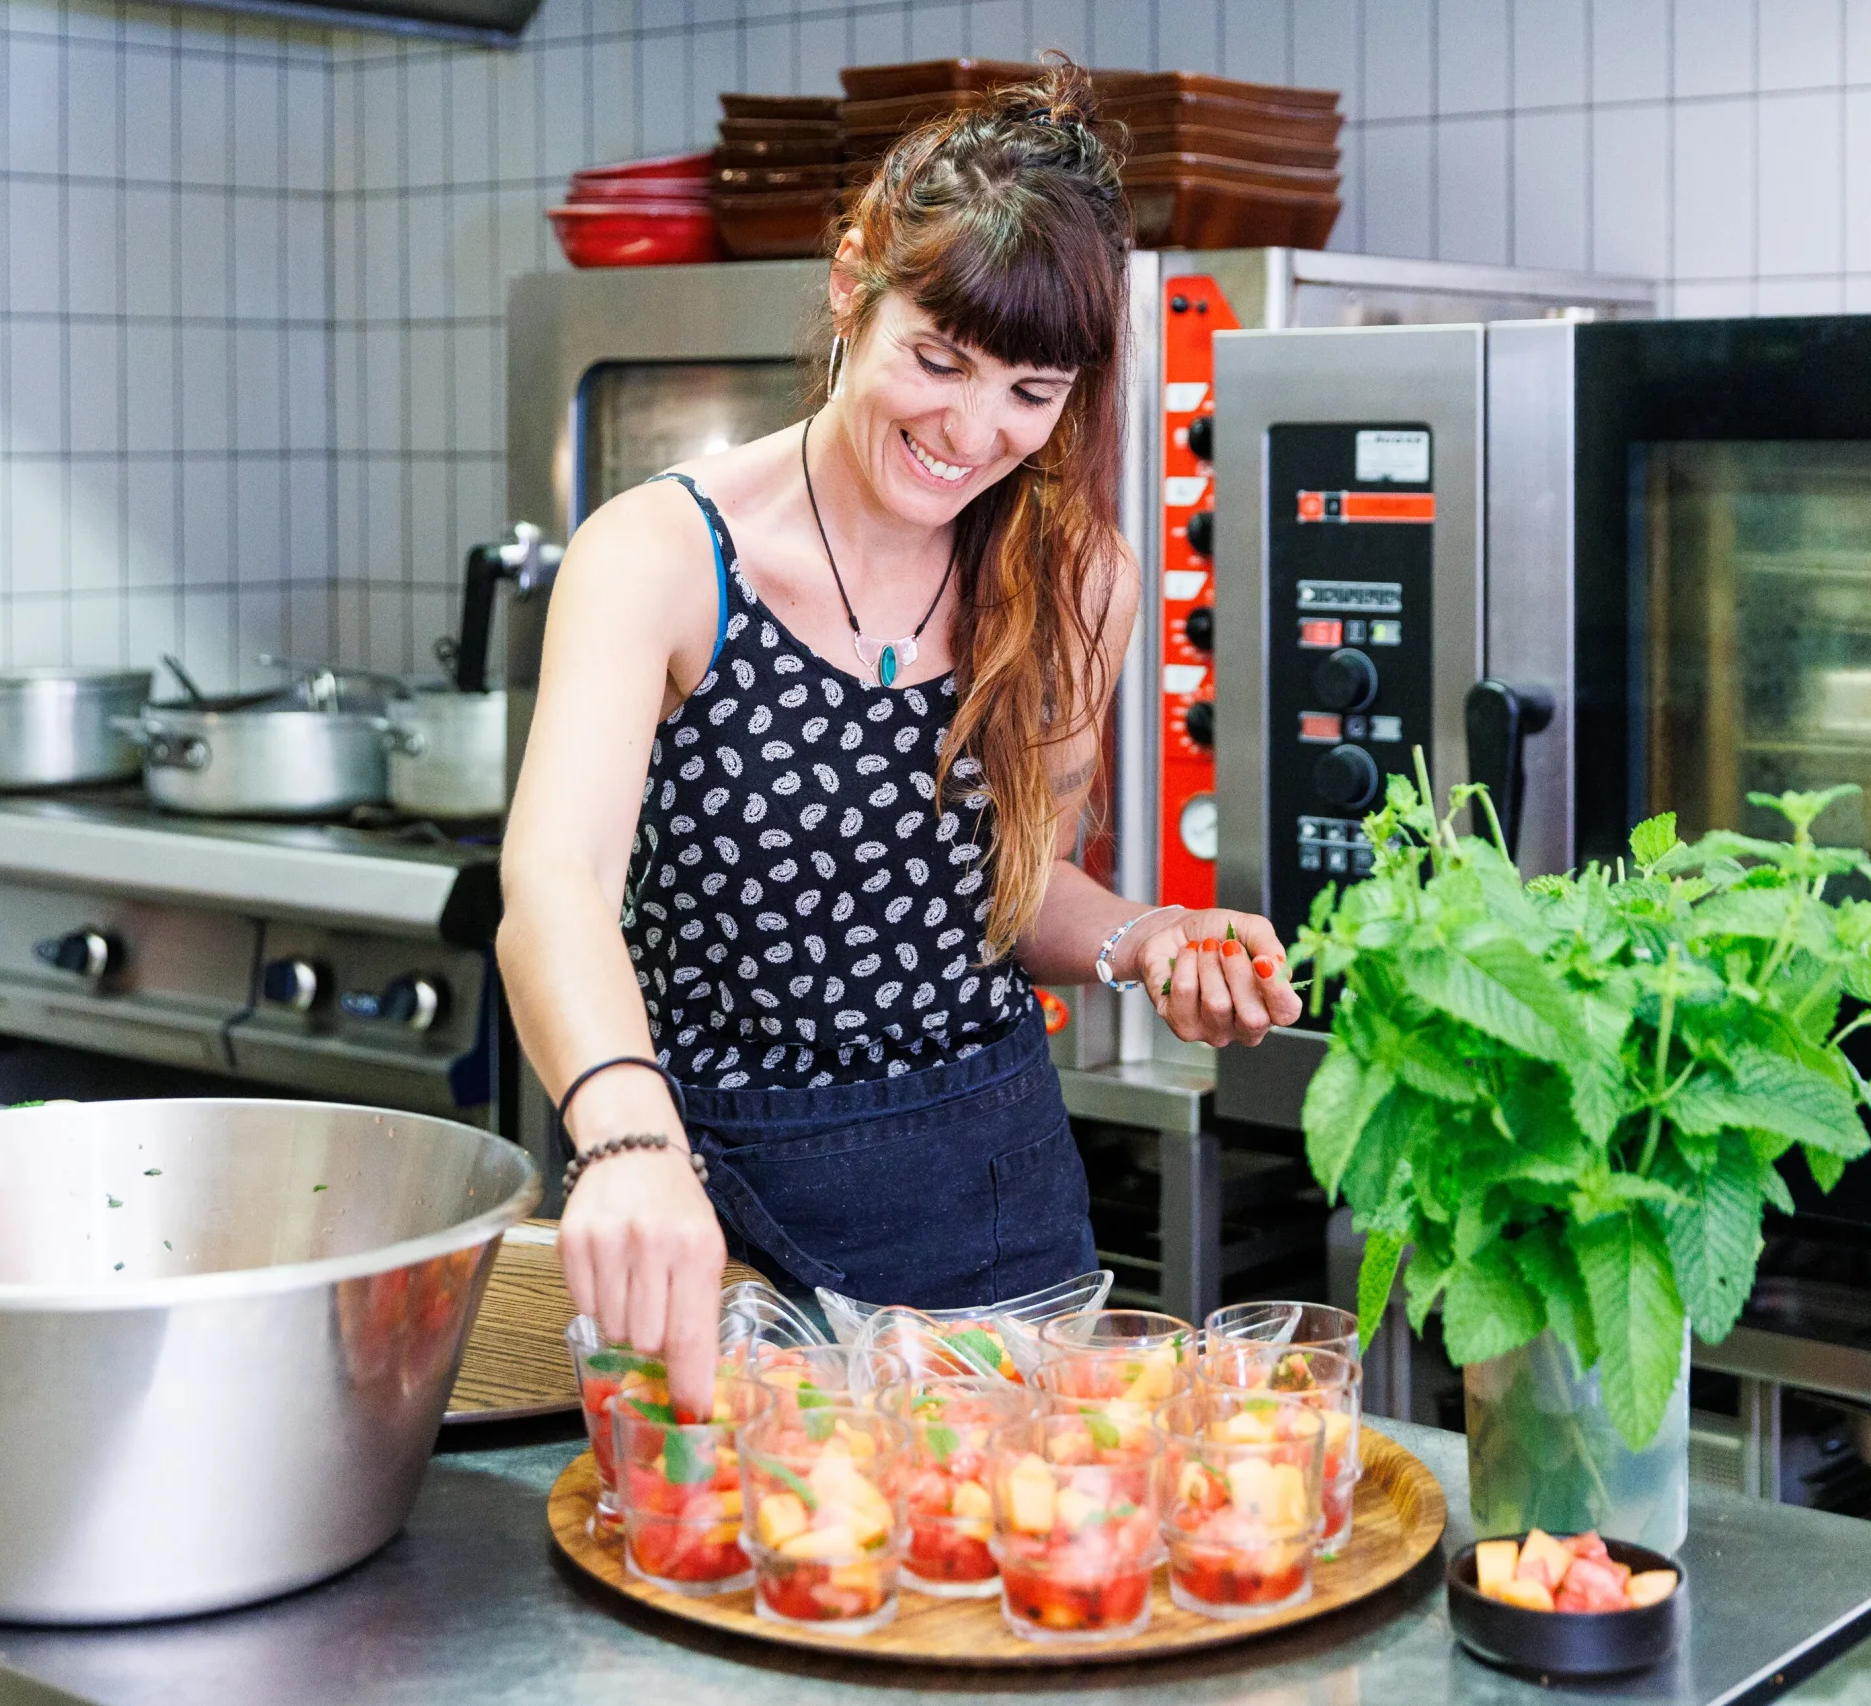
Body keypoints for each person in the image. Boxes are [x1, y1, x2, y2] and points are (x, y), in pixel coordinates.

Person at [496, 60, 1303, 1414]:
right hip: (718, 1217)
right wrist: (628, 1137)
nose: (971, 431)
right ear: (851, 280)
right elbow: (552, 883)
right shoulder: (662, 558)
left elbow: (1018, 883)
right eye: (939, 360)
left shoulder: (1075, 575)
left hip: (996, 1215)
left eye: (1030, 393)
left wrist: (1144, 938)